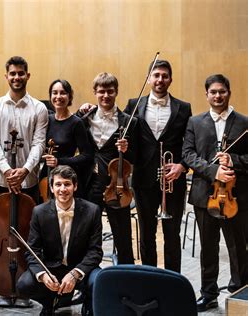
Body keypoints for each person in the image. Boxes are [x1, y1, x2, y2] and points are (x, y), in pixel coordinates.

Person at [0, 56, 48, 307]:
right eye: (12, 73)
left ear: (28, 76)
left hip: (28, 180)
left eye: (21, 73)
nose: (17, 77)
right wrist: (7, 170)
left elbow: (39, 143)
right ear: (6, 76)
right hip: (0, 180)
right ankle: (2, 287)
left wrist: (24, 169)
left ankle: (24, 288)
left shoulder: (39, 109)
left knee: (28, 235)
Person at [182, 74, 248, 312]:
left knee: (238, 247)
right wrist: (214, 171)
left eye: (222, 91)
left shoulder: (244, 123)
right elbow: (188, 155)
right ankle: (208, 293)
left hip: (236, 196)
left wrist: (234, 160)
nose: (218, 96)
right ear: (206, 94)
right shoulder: (195, 122)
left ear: (229, 92)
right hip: (204, 196)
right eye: (213, 92)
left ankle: (240, 293)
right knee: (208, 247)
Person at [124, 60, 192, 272]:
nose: (160, 79)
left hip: (173, 180)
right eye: (156, 75)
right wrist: (87, 109)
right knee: (146, 233)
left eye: (164, 76)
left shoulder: (183, 108)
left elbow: (190, 144)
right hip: (143, 180)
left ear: (170, 79)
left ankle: (173, 280)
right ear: (149, 78)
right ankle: (149, 278)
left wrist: (182, 165)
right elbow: (118, 125)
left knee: (172, 234)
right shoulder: (134, 104)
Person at [17, 165, 102, 316]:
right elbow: (32, 251)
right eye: (58, 184)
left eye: (67, 184)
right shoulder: (39, 212)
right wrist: (43, 275)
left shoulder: (92, 210)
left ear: (75, 186)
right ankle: (49, 302)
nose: (63, 189)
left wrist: (75, 273)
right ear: (51, 187)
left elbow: (95, 251)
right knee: (24, 285)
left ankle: (88, 304)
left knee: (99, 282)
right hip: (51, 268)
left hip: (80, 266)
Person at [77, 72, 137, 264]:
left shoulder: (129, 122)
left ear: (116, 92)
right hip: (91, 183)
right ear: (94, 92)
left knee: (123, 236)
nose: (106, 96)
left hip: (117, 185)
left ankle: (127, 278)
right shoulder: (84, 119)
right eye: (101, 91)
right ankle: (87, 281)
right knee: (87, 237)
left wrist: (127, 150)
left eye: (110, 91)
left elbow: (138, 156)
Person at [41, 79, 93, 200]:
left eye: (63, 93)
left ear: (69, 96)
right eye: (55, 93)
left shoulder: (76, 122)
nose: (58, 96)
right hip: (46, 175)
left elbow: (87, 155)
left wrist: (59, 161)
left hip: (67, 176)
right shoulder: (46, 120)